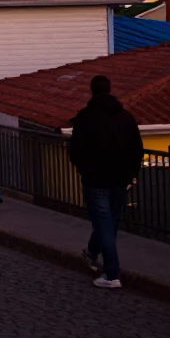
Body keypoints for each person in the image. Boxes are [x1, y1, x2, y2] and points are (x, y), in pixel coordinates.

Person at [68, 75, 144, 289]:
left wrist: (85, 171)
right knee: (110, 223)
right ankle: (92, 252)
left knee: (104, 224)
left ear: (92, 91)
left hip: (96, 180)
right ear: (110, 90)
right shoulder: (126, 117)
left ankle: (112, 273)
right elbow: (137, 149)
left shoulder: (85, 119)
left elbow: (76, 151)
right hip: (120, 180)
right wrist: (131, 174)